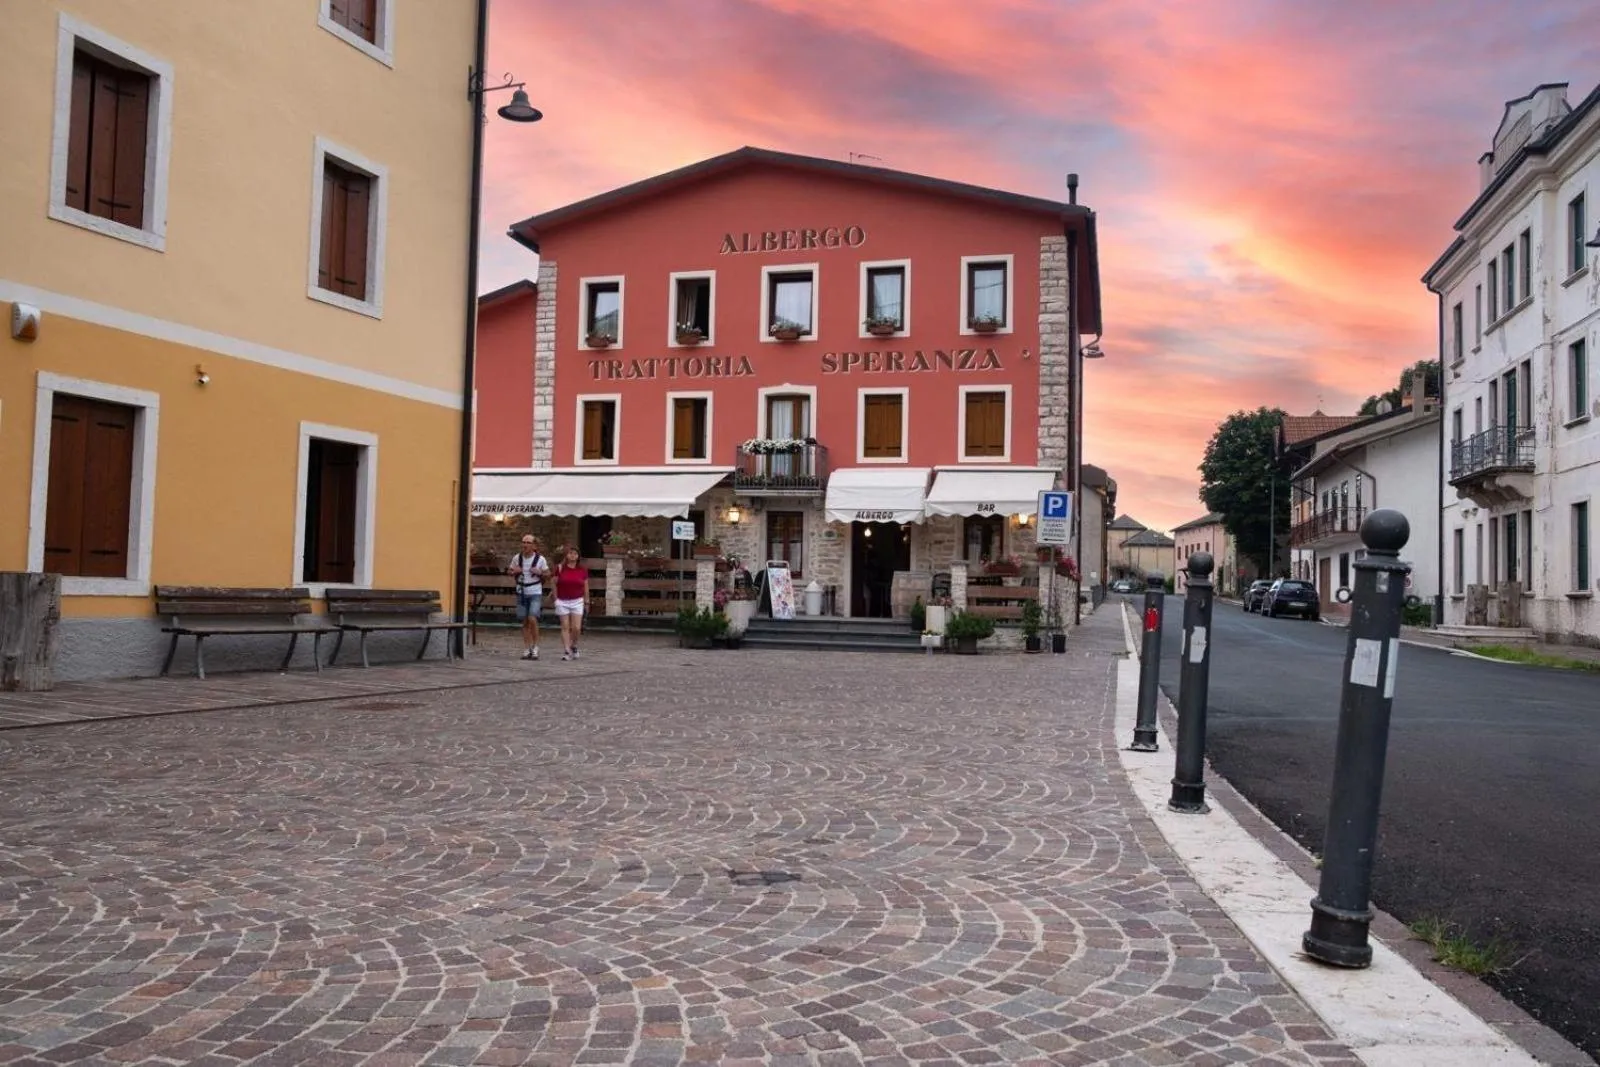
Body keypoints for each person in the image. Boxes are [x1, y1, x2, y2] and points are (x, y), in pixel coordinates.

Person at [507, 535, 549, 660]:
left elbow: (548, 574)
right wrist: (514, 571)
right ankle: (527, 648)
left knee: (532, 618)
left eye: (528, 542)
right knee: (524, 621)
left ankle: (535, 647)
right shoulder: (517, 557)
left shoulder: (540, 559)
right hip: (521, 591)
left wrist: (540, 572)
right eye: (523, 542)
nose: (525, 545)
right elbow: (509, 571)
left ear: (534, 545)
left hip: (535, 591)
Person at [552, 544, 589, 660]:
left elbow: (586, 586)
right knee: (565, 626)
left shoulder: (582, 570)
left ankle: (574, 645)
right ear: (566, 555)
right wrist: (556, 598)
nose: (572, 555)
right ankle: (567, 650)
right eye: (570, 553)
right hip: (562, 600)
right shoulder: (559, 568)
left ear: (578, 556)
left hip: (577, 600)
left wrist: (587, 601)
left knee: (576, 628)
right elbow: (553, 582)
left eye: (575, 553)